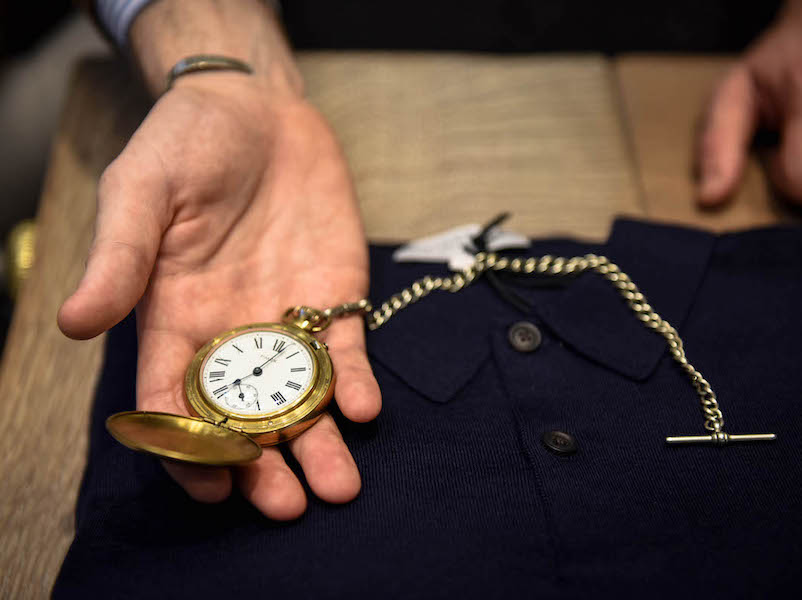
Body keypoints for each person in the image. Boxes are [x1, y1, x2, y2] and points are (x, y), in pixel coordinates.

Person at [60, 0, 801, 523]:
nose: (253, 371)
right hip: (332, 55)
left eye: (253, 370)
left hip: (684, 62)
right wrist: (218, 54)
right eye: (256, 371)